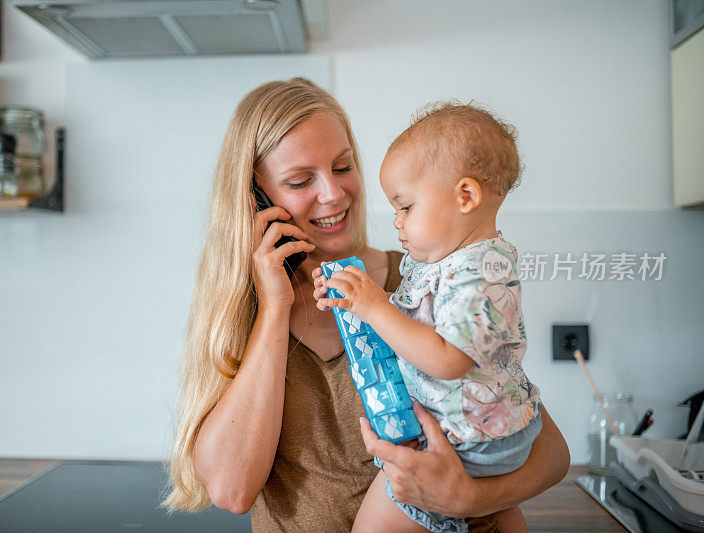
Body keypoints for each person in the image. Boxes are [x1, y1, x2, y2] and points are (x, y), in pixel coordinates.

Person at [163, 78, 570, 532]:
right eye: (300, 181)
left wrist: (469, 498)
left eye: (342, 167)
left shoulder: (421, 279)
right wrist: (275, 308)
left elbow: (549, 452)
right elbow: (230, 490)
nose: (334, 194)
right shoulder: (244, 315)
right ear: (257, 199)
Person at [313, 102, 540, 533]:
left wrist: (374, 306)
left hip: (474, 443)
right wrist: (356, 301)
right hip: (471, 433)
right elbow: (413, 326)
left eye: (406, 207)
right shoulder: (447, 264)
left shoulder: (483, 272)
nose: (397, 222)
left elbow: (446, 360)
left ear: (466, 196)